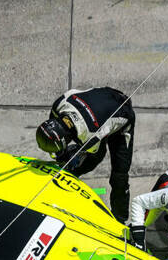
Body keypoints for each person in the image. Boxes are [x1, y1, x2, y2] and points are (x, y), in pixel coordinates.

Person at [36, 87, 135, 222]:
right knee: (69, 155)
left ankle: (120, 220)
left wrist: (72, 169)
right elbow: (73, 92)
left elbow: (97, 156)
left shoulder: (89, 137)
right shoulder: (59, 104)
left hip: (123, 113)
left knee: (119, 174)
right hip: (105, 95)